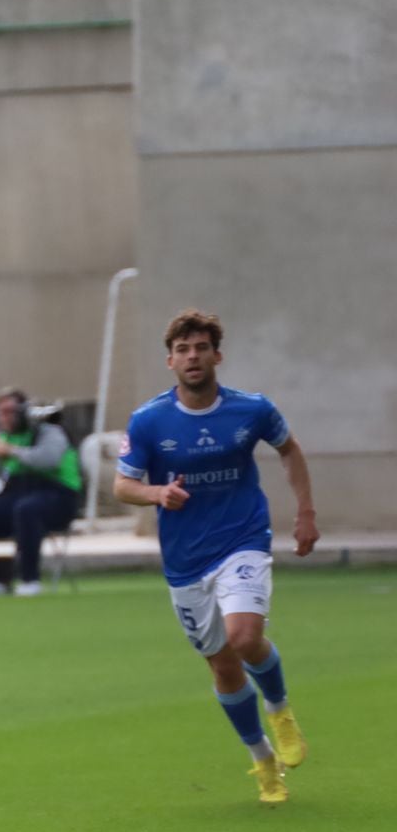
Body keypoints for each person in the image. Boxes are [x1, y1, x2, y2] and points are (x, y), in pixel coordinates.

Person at [113, 309, 317, 806]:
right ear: (170, 362)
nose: (193, 357)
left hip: (242, 539)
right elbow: (123, 485)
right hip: (186, 561)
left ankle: (281, 709)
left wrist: (306, 512)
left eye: (201, 348)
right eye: (183, 350)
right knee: (224, 668)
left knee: (244, 636)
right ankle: (263, 760)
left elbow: (289, 450)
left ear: (217, 356)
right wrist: (158, 494)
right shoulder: (149, 420)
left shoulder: (251, 410)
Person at [0, 387, 83, 598]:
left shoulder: (48, 431)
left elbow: (48, 459)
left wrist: (12, 451)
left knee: (27, 510)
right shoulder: (0, 434)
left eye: (11, 411)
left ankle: (29, 580)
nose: (6, 417)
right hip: (16, 494)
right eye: (2, 412)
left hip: (57, 496)